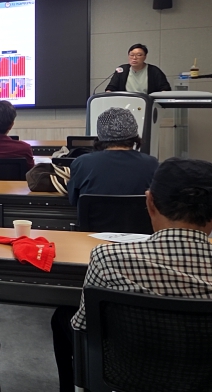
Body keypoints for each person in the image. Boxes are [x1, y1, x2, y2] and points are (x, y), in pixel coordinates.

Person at [52, 157, 212, 392]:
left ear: (149, 202)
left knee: (62, 318)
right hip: (201, 381)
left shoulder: (107, 259)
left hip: (124, 377)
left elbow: (84, 329)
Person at [67, 107, 158, 206]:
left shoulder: (81, 163)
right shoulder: (152, 164)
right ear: (135, 136)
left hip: (95, 217)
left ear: (100, 136)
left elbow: (74, 201)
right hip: (139, 217)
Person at [105, 43, 171, 94]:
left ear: (145, 57)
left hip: (147, 104)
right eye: (131, 55)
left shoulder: (154, 71)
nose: (134, 58)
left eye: (139, 55)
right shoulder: (122, 70)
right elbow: (111, 88)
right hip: (125, 104)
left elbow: (165, 89)